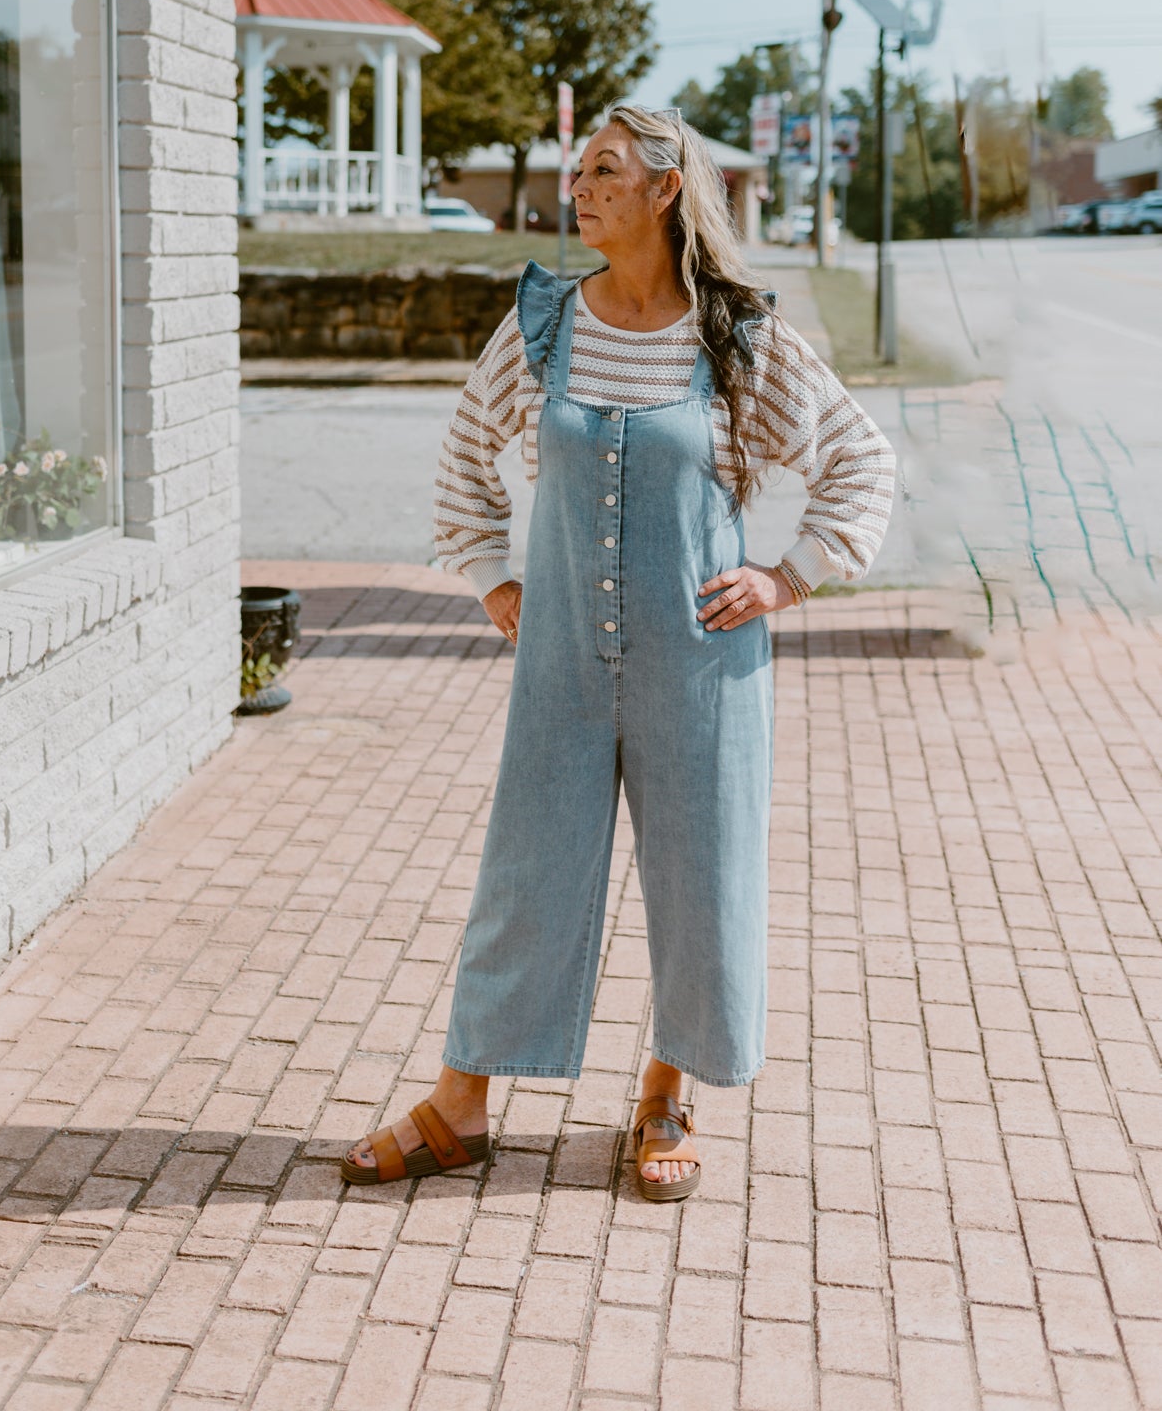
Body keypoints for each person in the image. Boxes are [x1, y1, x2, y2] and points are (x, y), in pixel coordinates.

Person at [341, 105, 895, 1198]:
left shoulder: (734, 335)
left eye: (603, 169)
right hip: (560, 658)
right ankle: (461, 1104)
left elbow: (859, 460)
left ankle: (664, 1089)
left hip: (701, 659)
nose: (577, 185)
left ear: (663, 189)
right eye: (575, 168)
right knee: (525, 868)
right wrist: (492, 575)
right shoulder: (545, 323)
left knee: (700, 874)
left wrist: (786, 574)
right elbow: (463, 454)